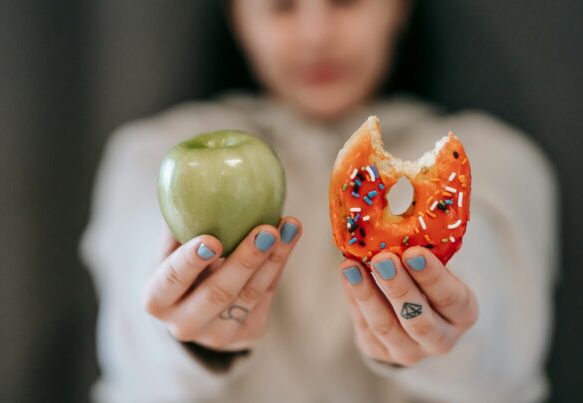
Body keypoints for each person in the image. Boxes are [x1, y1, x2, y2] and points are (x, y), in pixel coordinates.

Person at [79, 0, 559, 402]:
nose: (315, 34)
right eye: (281, 5)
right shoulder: (147, 154)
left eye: (345, 0)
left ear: (399, 7)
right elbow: (132, 339)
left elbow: (502, 337)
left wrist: (446, 333)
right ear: (236, 16)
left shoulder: (498, 157)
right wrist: (186, 336)